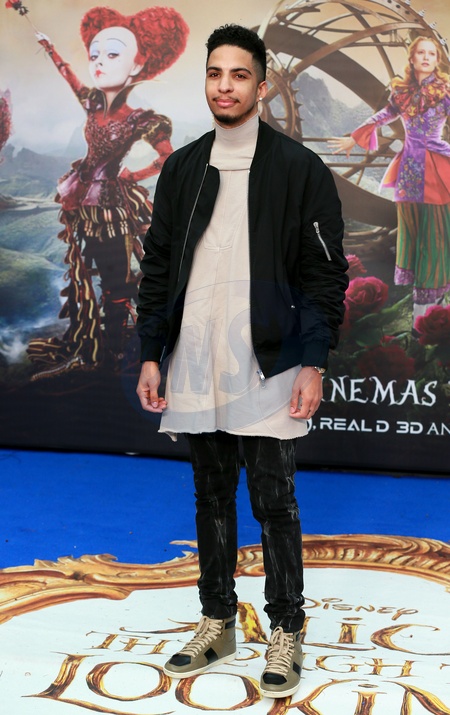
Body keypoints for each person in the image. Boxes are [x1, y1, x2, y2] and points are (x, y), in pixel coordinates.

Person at [136, 24, 348, 699]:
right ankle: (218, 619)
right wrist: (151, 352)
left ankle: (286, 629)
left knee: (273, 499)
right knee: (210, 495)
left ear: (261, 85)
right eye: (214, 73)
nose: (224, 86)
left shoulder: (299, 169)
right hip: (195, 357)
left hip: (270, 359)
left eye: (239, 75)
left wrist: (313, 361)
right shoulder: (183, 168)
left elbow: (325, 274)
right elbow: (158, 267)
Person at [27, 6, 188, 378]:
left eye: (112, 54)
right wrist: (49, 48)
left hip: (110, 209)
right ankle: (100, 349)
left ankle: (114, 353)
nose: (98, 62)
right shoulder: (92, 102)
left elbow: (169, 157)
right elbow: (68, 75)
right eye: (95, 54)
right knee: (96, 274)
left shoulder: (140, 119)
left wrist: (135, 175)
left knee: (116, 282)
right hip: (82, 202)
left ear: (138, 64)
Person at [330, 36, 450, 324]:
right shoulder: (402, 93)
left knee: (435, 234)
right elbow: (384, 115)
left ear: (437, 60)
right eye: (421, 52)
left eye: (431, 54)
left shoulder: (444, 91)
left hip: (437, 165)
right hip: (409, 169)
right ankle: (424, 308)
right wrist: (354, 138)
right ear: (412, 58)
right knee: (412, 231)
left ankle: (430, 305)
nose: (426, 57)